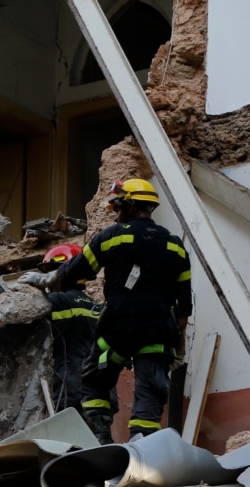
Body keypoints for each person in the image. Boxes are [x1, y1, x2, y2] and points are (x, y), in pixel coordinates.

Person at [20, 178, 192, 443]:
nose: (117, 213)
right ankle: (143, 447)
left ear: (131, 205)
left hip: (118, 326)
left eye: (118, 207)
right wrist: (174, 338)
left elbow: (78, 269)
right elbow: (183, 303)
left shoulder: (113, 236)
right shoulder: (174, 244)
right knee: (151, 387)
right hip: (158, 328)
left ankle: (101, 441)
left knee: (95, 380)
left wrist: (45, 279)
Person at [30, 243, 107, 414]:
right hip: (101, 394)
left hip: (70, 389)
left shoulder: (57, 301)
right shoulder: (97, 307)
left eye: (52, 272)